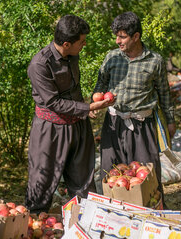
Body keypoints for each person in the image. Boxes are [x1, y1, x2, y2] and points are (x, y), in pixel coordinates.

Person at [25, 14, 114, 214]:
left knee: (83, 180)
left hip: (78, 125)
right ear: (66, 43)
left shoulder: (73, 55)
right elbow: (53, 102)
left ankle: (88, 221)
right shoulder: (39, 65)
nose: (84, 45)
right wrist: (88, 108)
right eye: (81, 42)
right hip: (51, 130)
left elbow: (74, 89)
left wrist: (85, 110)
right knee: (42, 180)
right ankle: (34, 223)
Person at [93, 11, 176, 203]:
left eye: (122, 37)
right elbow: (100, 86)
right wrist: (95, 102)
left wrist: (170, 121)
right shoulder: (112, 58)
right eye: (116, 36)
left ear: (136, 36)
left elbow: (164, 94)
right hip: (113, 124)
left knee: (146, 174)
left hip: (142, 125)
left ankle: (153, 215)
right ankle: (113, 216)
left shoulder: (155, 61)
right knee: (110, 173)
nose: (117, 41)